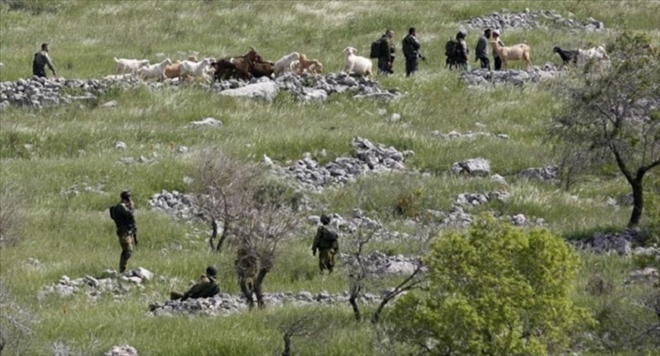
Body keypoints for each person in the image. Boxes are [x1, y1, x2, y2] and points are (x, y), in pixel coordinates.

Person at [109, 190, 137, 273]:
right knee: (127, 251)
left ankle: (123, 269)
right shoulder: (121, 207)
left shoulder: (122, 206)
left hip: (127, 231)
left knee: (128, 250)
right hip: (123, 232)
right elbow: (130, 214)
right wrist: (131, 207)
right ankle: (122, 269)